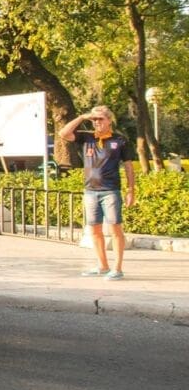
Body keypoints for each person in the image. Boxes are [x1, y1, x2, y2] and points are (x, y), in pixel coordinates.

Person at [58, 105, 137, 280]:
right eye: (94, 119)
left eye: (100, 119)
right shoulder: (86, 137)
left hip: (111, 191)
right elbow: (63, 133)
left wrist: (131, 190)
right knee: (94, 229)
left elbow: (129, 167)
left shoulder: (120, 140)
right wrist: (82, 117)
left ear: (109, 120)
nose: (97, 122)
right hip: (90, 192)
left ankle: (117, 269)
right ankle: (102, 266)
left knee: (115, 228)